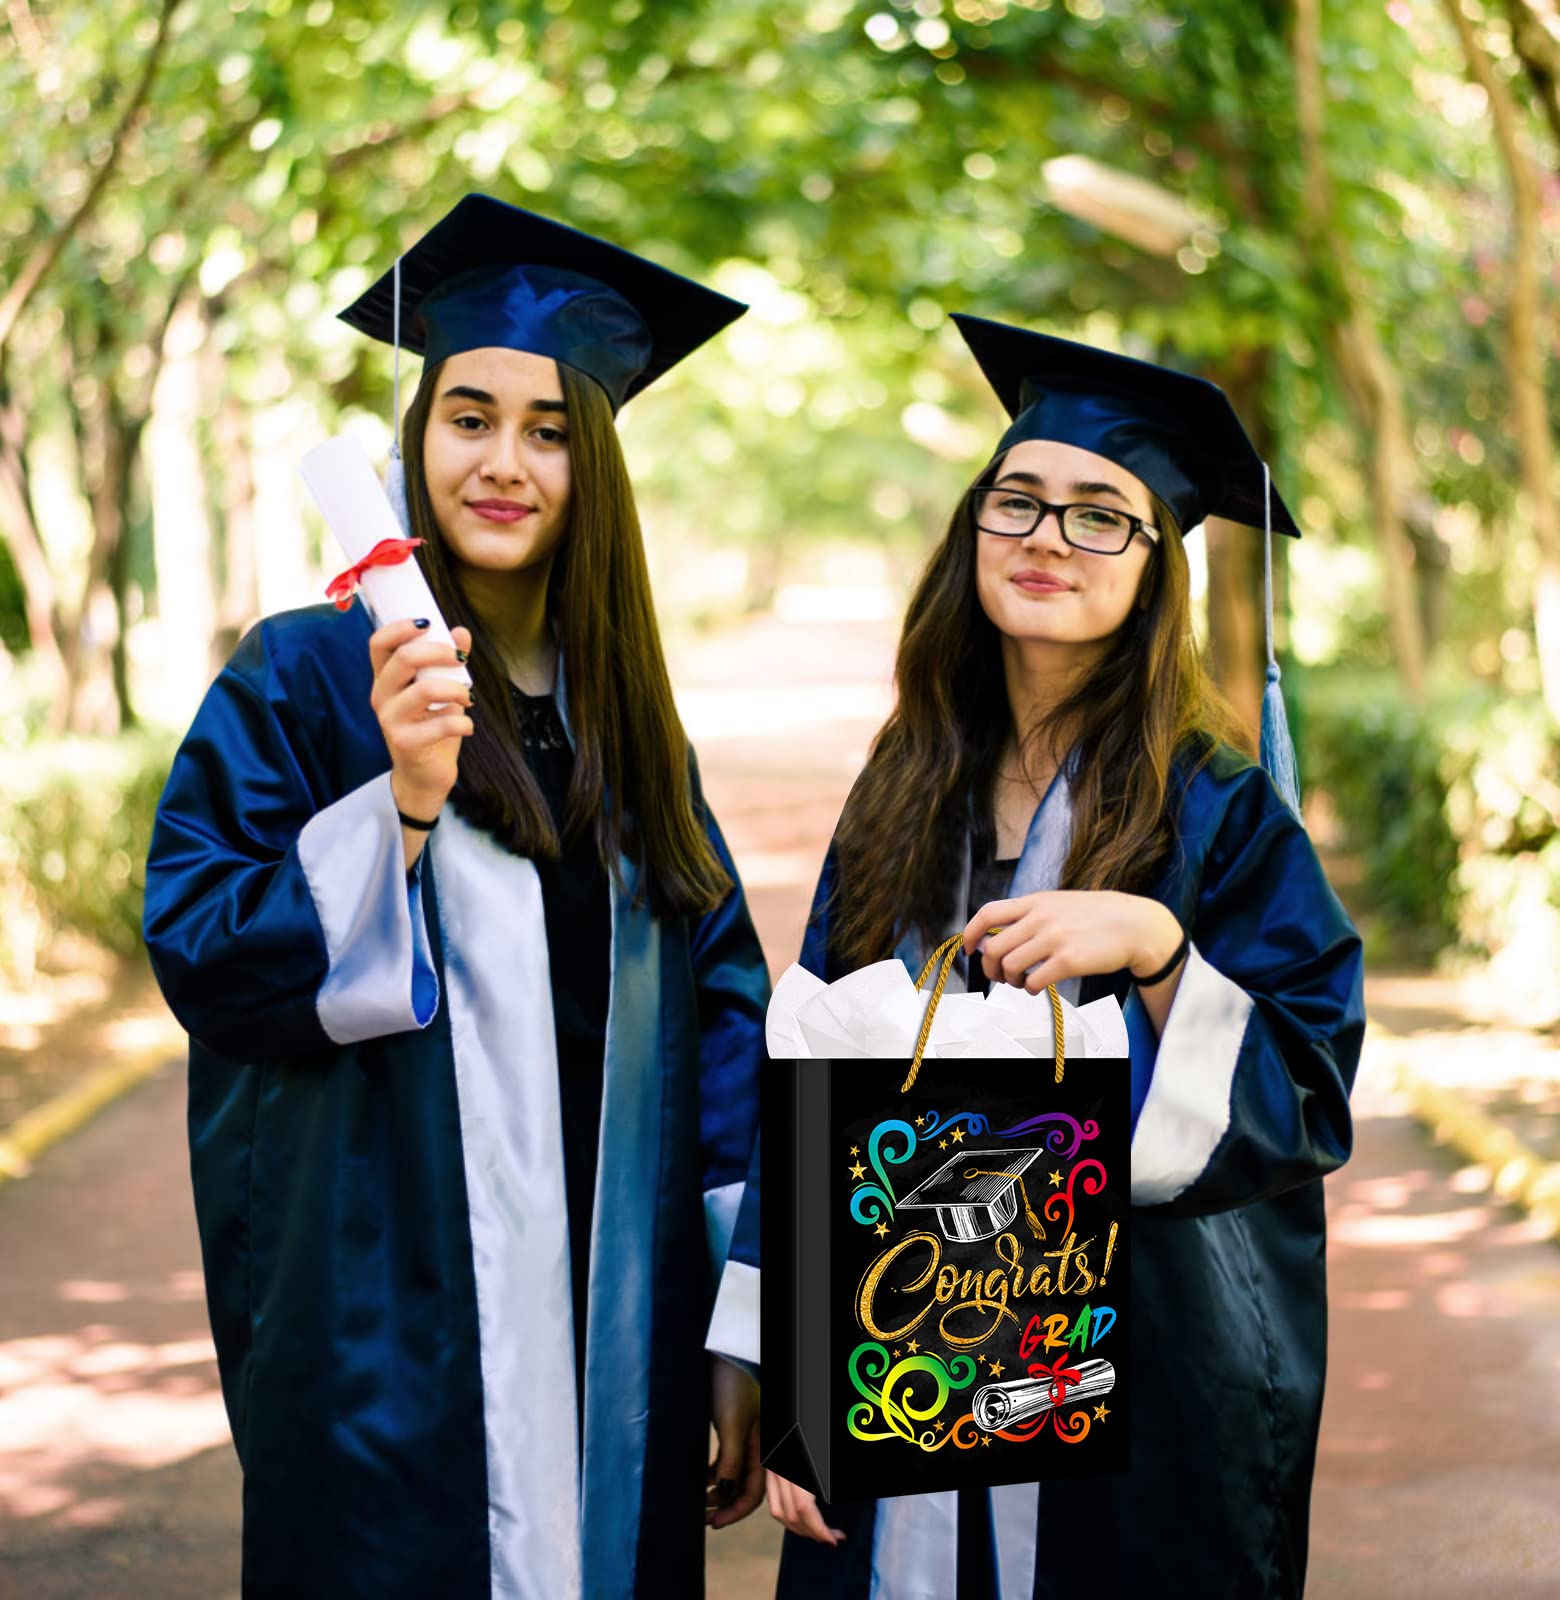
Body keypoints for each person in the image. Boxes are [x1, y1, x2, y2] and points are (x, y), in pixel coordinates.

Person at [143, 195, 767, 1600]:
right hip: (387, 1334)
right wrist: (403, 809)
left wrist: (743, 1330)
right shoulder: (307, 677)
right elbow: (206, 949)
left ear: (595, 467)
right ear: (416, 438)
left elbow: (726, 1020)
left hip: (617, 1329)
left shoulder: (629, 725)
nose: (503, 460)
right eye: (466, 414)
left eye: (550, 430)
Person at [767, 315, 1365, 1599]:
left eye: (1103, 514)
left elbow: (1311, 1085)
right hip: (902, 1341)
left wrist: (1159, 952)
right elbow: (821, 1066)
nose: (1047, 536)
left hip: (1136, 1373)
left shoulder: (1217, 805)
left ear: (1157, 567)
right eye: (1018, 500)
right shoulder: (904, 780)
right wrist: (804, 1383)